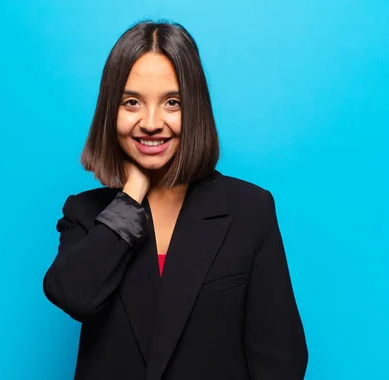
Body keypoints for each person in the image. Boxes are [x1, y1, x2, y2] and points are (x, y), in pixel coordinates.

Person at [43, 20, 308, 380]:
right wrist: (132, 191)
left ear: (194, 109)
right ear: (111, 111)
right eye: (132, 102)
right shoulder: (85, 212)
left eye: (172, 102)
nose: (151, 123)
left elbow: (282, 361)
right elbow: (74, 296)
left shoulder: (250, 210)